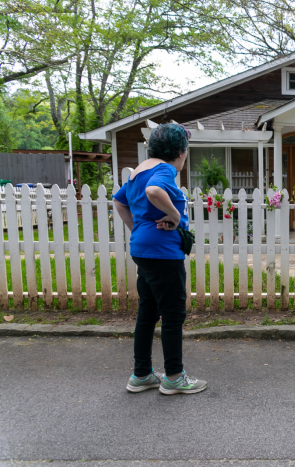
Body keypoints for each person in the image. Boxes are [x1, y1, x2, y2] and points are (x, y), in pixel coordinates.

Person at [113, 123, 207, 395]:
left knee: (148, 312)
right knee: (173, 314)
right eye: (186, 151)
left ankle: (141, 375)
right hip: (163, 253)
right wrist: (176, 218)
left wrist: (138, 229)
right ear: (179, 151)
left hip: (143, 250)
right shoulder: (163, 169)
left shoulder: (138, 171)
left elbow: (119, 202)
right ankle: (174, 377)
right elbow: (155, 192)